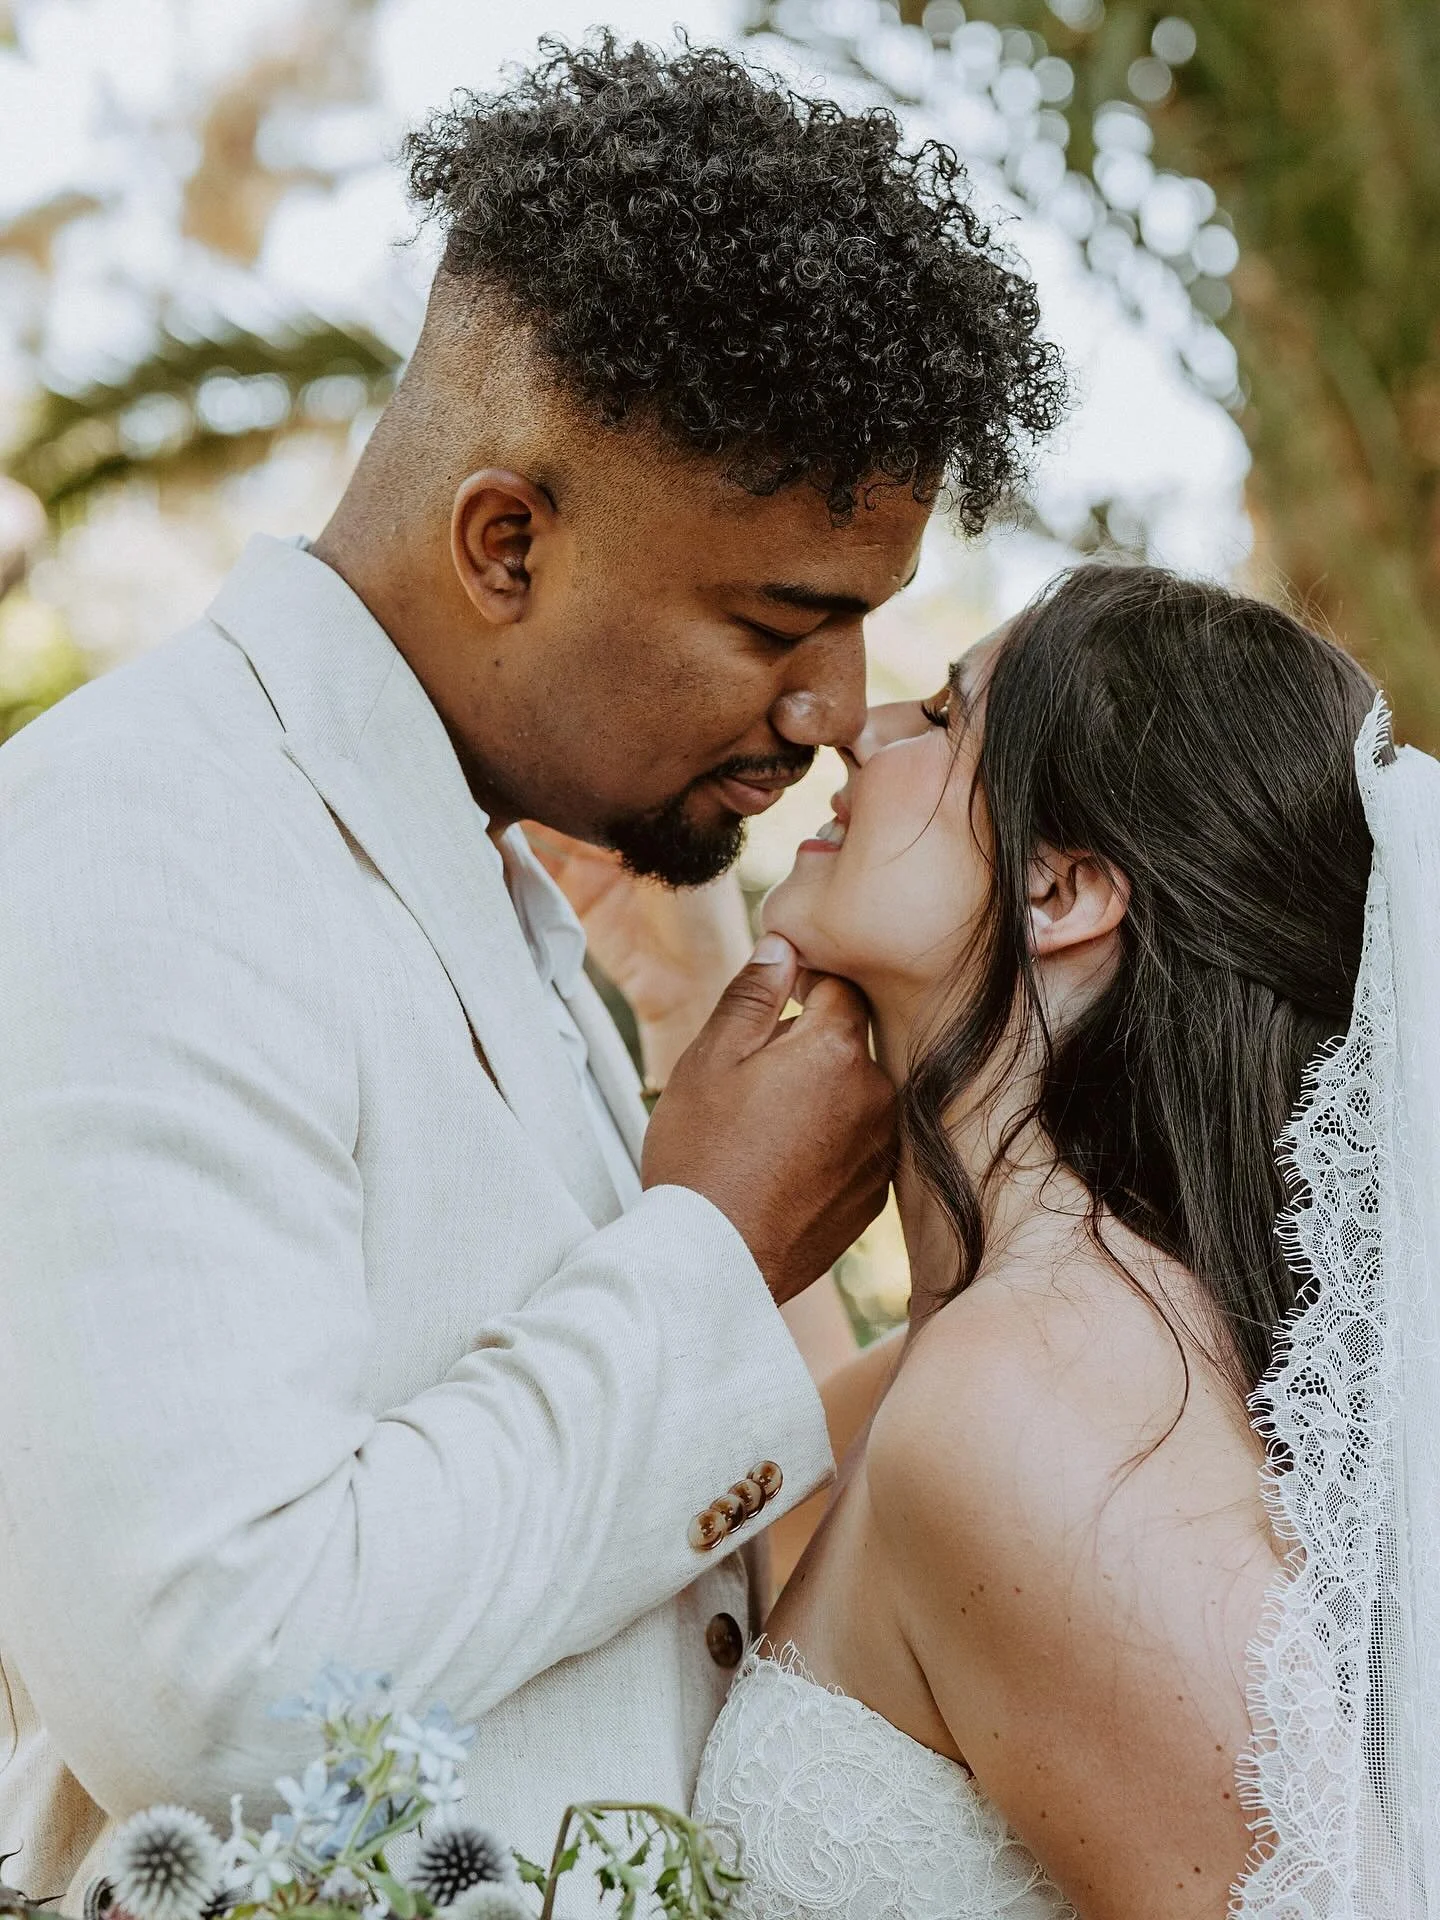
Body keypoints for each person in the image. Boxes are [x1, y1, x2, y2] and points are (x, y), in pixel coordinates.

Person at [0, 35, 1064, 1913]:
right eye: (775, 623)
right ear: (507, 543)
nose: (831, 714)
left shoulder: (487, 885)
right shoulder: (132, 838)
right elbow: (214, 1682)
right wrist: (714, 1250)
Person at [693, 564, 1403, 1919]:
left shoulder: (1036, 1398)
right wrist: (686, 986)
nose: (862, 727)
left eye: (947, 719)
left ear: (1059, 888)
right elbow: (762, 1455)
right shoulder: (1003, 1353)